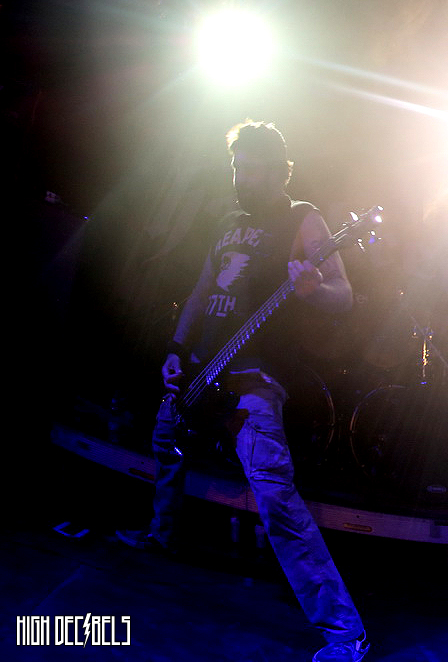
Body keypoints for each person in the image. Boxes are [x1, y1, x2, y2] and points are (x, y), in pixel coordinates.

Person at [117, 121, 370, 662]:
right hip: (201, 368)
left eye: (252, 169)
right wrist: (177, 348)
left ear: (279, 172)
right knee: (166, 442)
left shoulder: (304, 218)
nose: (240, 178)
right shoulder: (228, 222)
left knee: (275, 495)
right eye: (236, 167)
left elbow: (344, 295)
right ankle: (163, 534)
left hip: (255, 376)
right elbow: (202, 290)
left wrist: (312, 289)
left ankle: (345, 632)